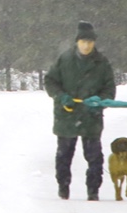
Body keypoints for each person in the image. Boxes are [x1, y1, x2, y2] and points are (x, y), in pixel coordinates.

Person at [44, 21, 116, 200]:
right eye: (83, 41)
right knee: (64, 155)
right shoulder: (65, 59)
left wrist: (99, 102)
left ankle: (93, 190)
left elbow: (109, 88)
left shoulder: (102, 63)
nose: (86, 45)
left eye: (90, 42)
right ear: (77, 42)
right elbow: (50, 81)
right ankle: (63, 187)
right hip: (67, 115)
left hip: (91, 116)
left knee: (94, 156)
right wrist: (61, 97)